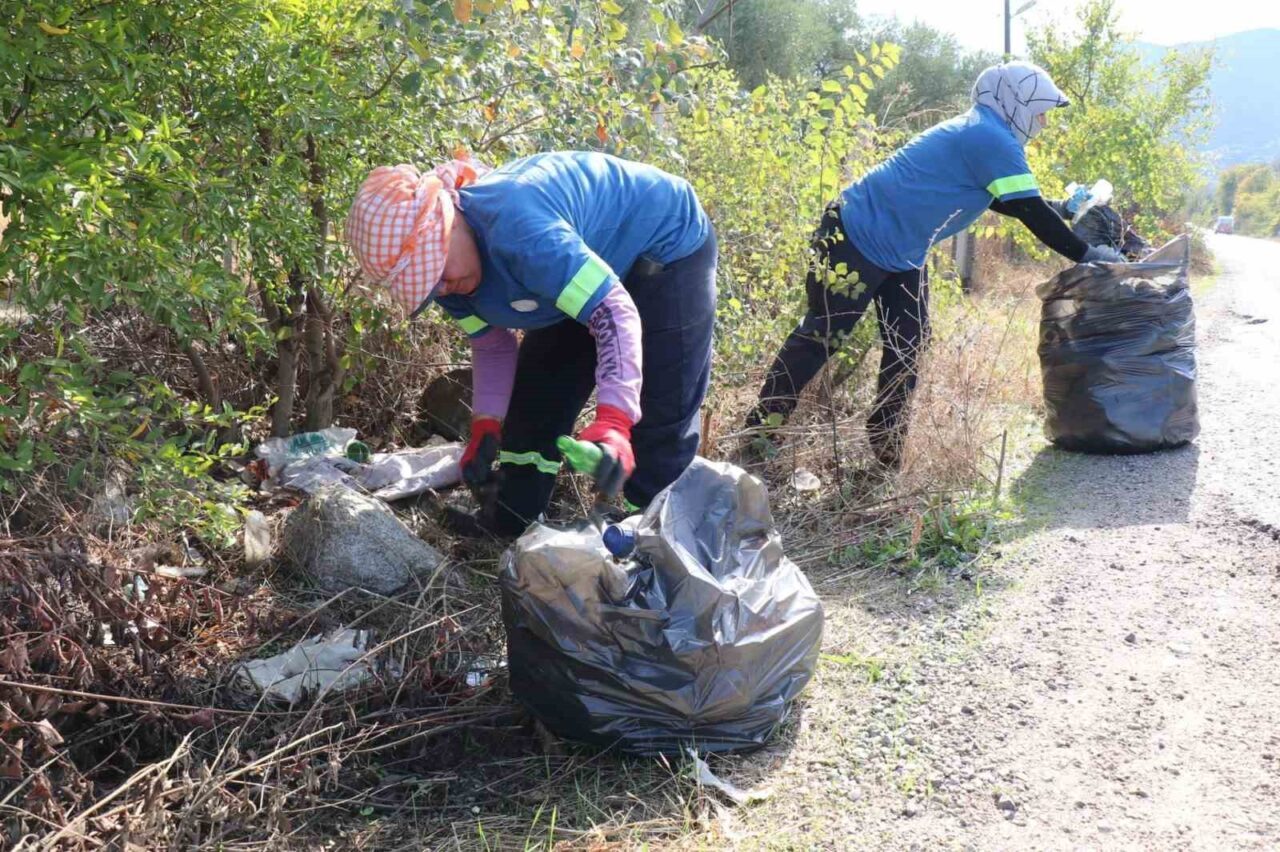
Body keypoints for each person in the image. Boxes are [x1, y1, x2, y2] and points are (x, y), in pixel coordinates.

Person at [746, 61, 1124, 470]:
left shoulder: (985, 132)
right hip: (854, 234)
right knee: (823, 336)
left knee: (909, 341)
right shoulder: (989, 137)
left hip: (902, 251)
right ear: (1015, 101)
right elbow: (1029, 211)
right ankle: (758, 434)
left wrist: (1063, 209)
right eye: (1040, 111)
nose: (1043, 122)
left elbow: (1007, 200)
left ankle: (886, 444)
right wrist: (1090, 255)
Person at [345, 151, 716, 538]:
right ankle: (510, 522)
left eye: (437, 272)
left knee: (661, 412)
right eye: (426, 285)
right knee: (537, 398)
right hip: (579, 269)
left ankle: (657, 545)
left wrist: (614, 421)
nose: (440, 288)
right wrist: (485, 424)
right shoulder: (450, 285)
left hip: (665, 248)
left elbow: (611, 312)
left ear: (449, 223)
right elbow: (491, 345)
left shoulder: (521, 233)